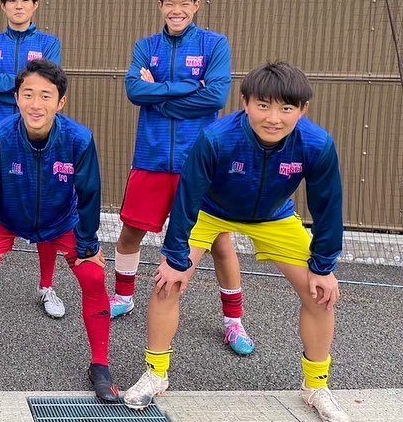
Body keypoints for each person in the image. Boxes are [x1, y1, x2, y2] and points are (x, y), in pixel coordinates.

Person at [123, 62, 349, 422]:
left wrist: (324, 267)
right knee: (168, 283)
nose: (273, 118)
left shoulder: (317, 144)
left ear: (303, 110)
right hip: (211, 211)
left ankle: (317, 386)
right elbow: (188, 198)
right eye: (263, 105)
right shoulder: (217, 137)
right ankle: (155, 373)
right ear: (245, 103)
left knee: (320, 293)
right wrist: (175, 258)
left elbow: (328, 207)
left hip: (274, 217)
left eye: (286, 108)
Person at [0, 59, 118, 401]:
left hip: (61, 219)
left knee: (94, 277)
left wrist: (88, 244)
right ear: (16, 98)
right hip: (7, 218)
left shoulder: (79, 139)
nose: (36, 104)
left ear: (61, 102)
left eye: (45, 96)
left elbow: (89, 194)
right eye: (28, 94)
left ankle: (100, 365)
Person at [110, 0, 254, 355]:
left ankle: (234, 322)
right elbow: (134, 90)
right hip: (151, 157)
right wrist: (189, 86)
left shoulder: (214, 44)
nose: (177, 10)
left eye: (184, 3)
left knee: (219, 241)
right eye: (170, 3)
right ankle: (123, 296)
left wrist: (157, 94)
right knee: (131, 231)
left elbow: (216, 97)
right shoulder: (146, 47)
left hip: (201, 163)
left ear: (196, 6)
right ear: (160, 6)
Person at [0, 0, 65, 318]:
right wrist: (26, 82)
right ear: (3, 6)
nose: (19, 6)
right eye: (12, 0)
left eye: (25, 0)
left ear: (35, 5)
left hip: (38, 143)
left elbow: (48, 85)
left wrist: (1, 78)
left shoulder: (50, 43)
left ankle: (47, 286)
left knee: (46, 213)